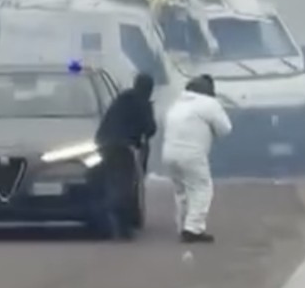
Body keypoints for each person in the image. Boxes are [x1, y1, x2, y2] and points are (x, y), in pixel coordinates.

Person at [162, 75, 232, 243]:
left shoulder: (177, 103)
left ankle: (183, 225)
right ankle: (193, 229)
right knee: (202, 189)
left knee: (181, 192)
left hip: (169, 153)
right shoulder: (209, 104)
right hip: (192, 154)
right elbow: (225, 129)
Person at [95, 72, 157, 236]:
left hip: (103, 144)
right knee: (125, 184)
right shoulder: (142, 102)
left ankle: (110, 213)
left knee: (112, 180)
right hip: (123, 147)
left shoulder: (122, 98)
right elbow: (150, 129)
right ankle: (120, 221)